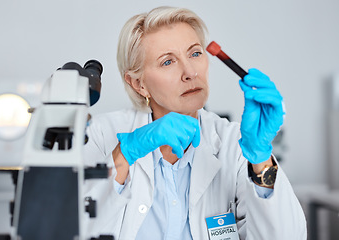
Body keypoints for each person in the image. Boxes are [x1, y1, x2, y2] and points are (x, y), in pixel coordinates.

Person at [84, 6, 306, 240]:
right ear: (138, 84)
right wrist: (124, 154)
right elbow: (74, 228)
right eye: (168, 62)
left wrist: (260, 157)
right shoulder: (99, 134)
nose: (190, 72)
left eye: (195, 53)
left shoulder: (234, 144)